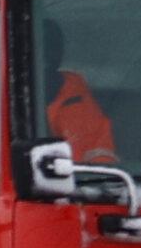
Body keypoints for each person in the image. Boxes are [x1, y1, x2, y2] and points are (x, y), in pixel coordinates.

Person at [38, 19, 118, 163]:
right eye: (40, 50)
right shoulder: (1, 103)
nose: (47, 56)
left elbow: (103, 156)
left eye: (53, 47)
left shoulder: (78, 95)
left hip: (85, 184)